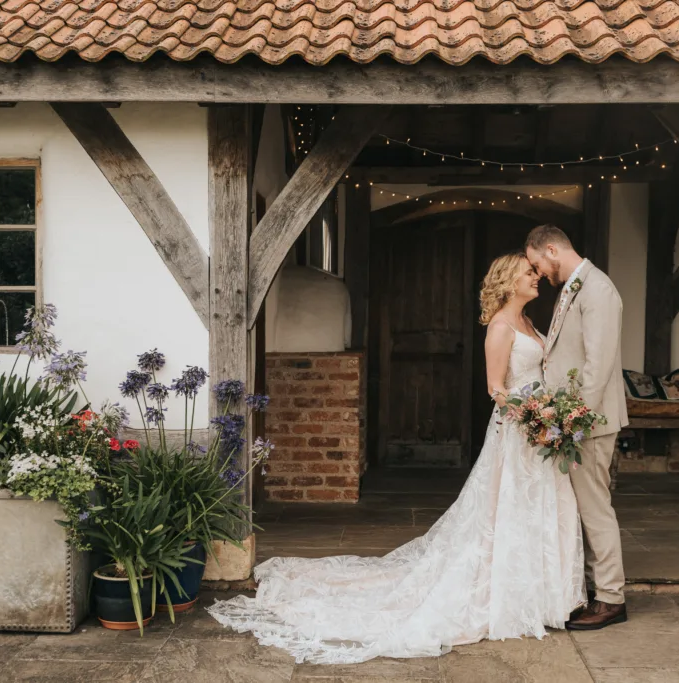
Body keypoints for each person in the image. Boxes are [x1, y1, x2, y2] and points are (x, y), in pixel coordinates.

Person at [207, 252, 587, 664]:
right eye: (529, 272)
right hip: (518, 432)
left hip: (538, 434)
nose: (537, 277)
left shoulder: (530, 322)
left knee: (537, 509)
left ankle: (542, 596)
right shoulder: (500, 327)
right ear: (508, 280)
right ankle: (509, 597)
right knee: (507, 510)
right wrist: (533, 416)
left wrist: (552, 413)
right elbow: (496, 388)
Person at [525, 223, 630, 631]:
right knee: (582, 509)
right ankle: (591, 589)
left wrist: (572, 421)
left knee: (594, 509)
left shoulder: (598, 289)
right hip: (576, 420)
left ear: (552, 250)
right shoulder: (574, 285)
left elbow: (598, 365)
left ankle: (610, 599)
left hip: (588, 422)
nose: (539, 274)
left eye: (537, 264)